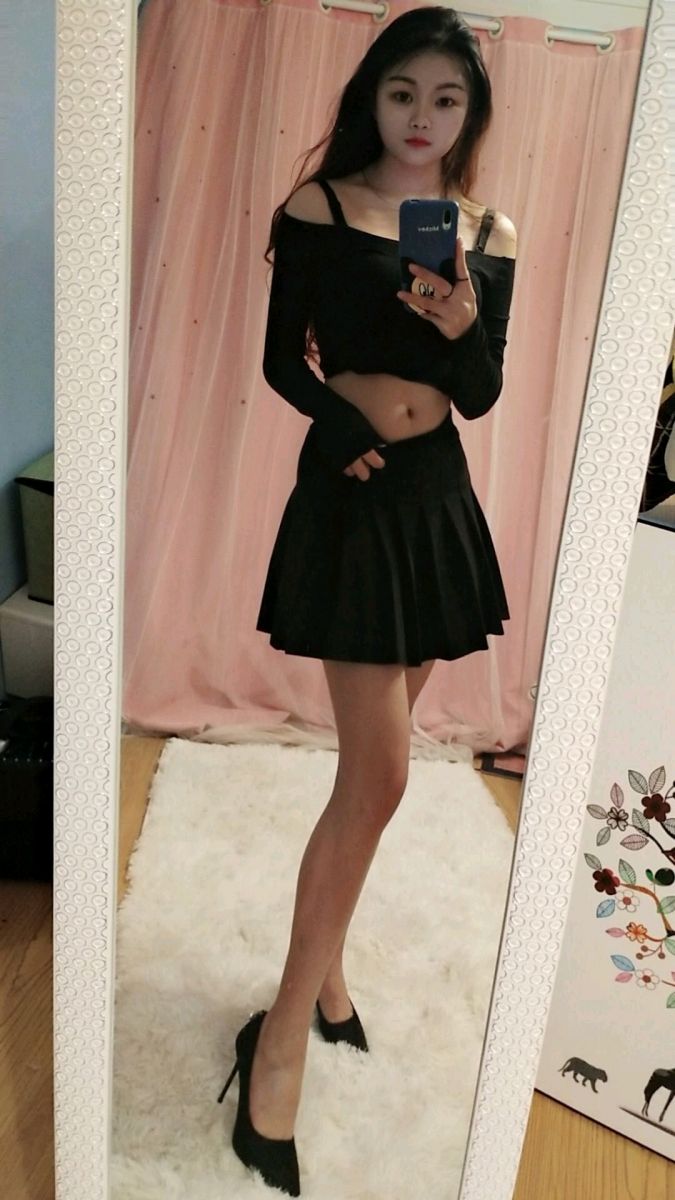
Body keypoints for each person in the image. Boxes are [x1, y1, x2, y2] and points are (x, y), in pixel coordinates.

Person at [218, 6, 517, 1195]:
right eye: (403, 93)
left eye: (446, 98)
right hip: (352, 490)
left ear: (470, 114)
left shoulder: (486, 232)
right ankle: (280, 1036)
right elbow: (282, 359)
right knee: (381, 774)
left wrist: (464, 322)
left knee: (367, 781)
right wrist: (338, 426)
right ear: (372, 98)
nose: (421, 117)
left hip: (435, 500)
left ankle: (328, 975)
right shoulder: (321, 208)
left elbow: (480, 394)